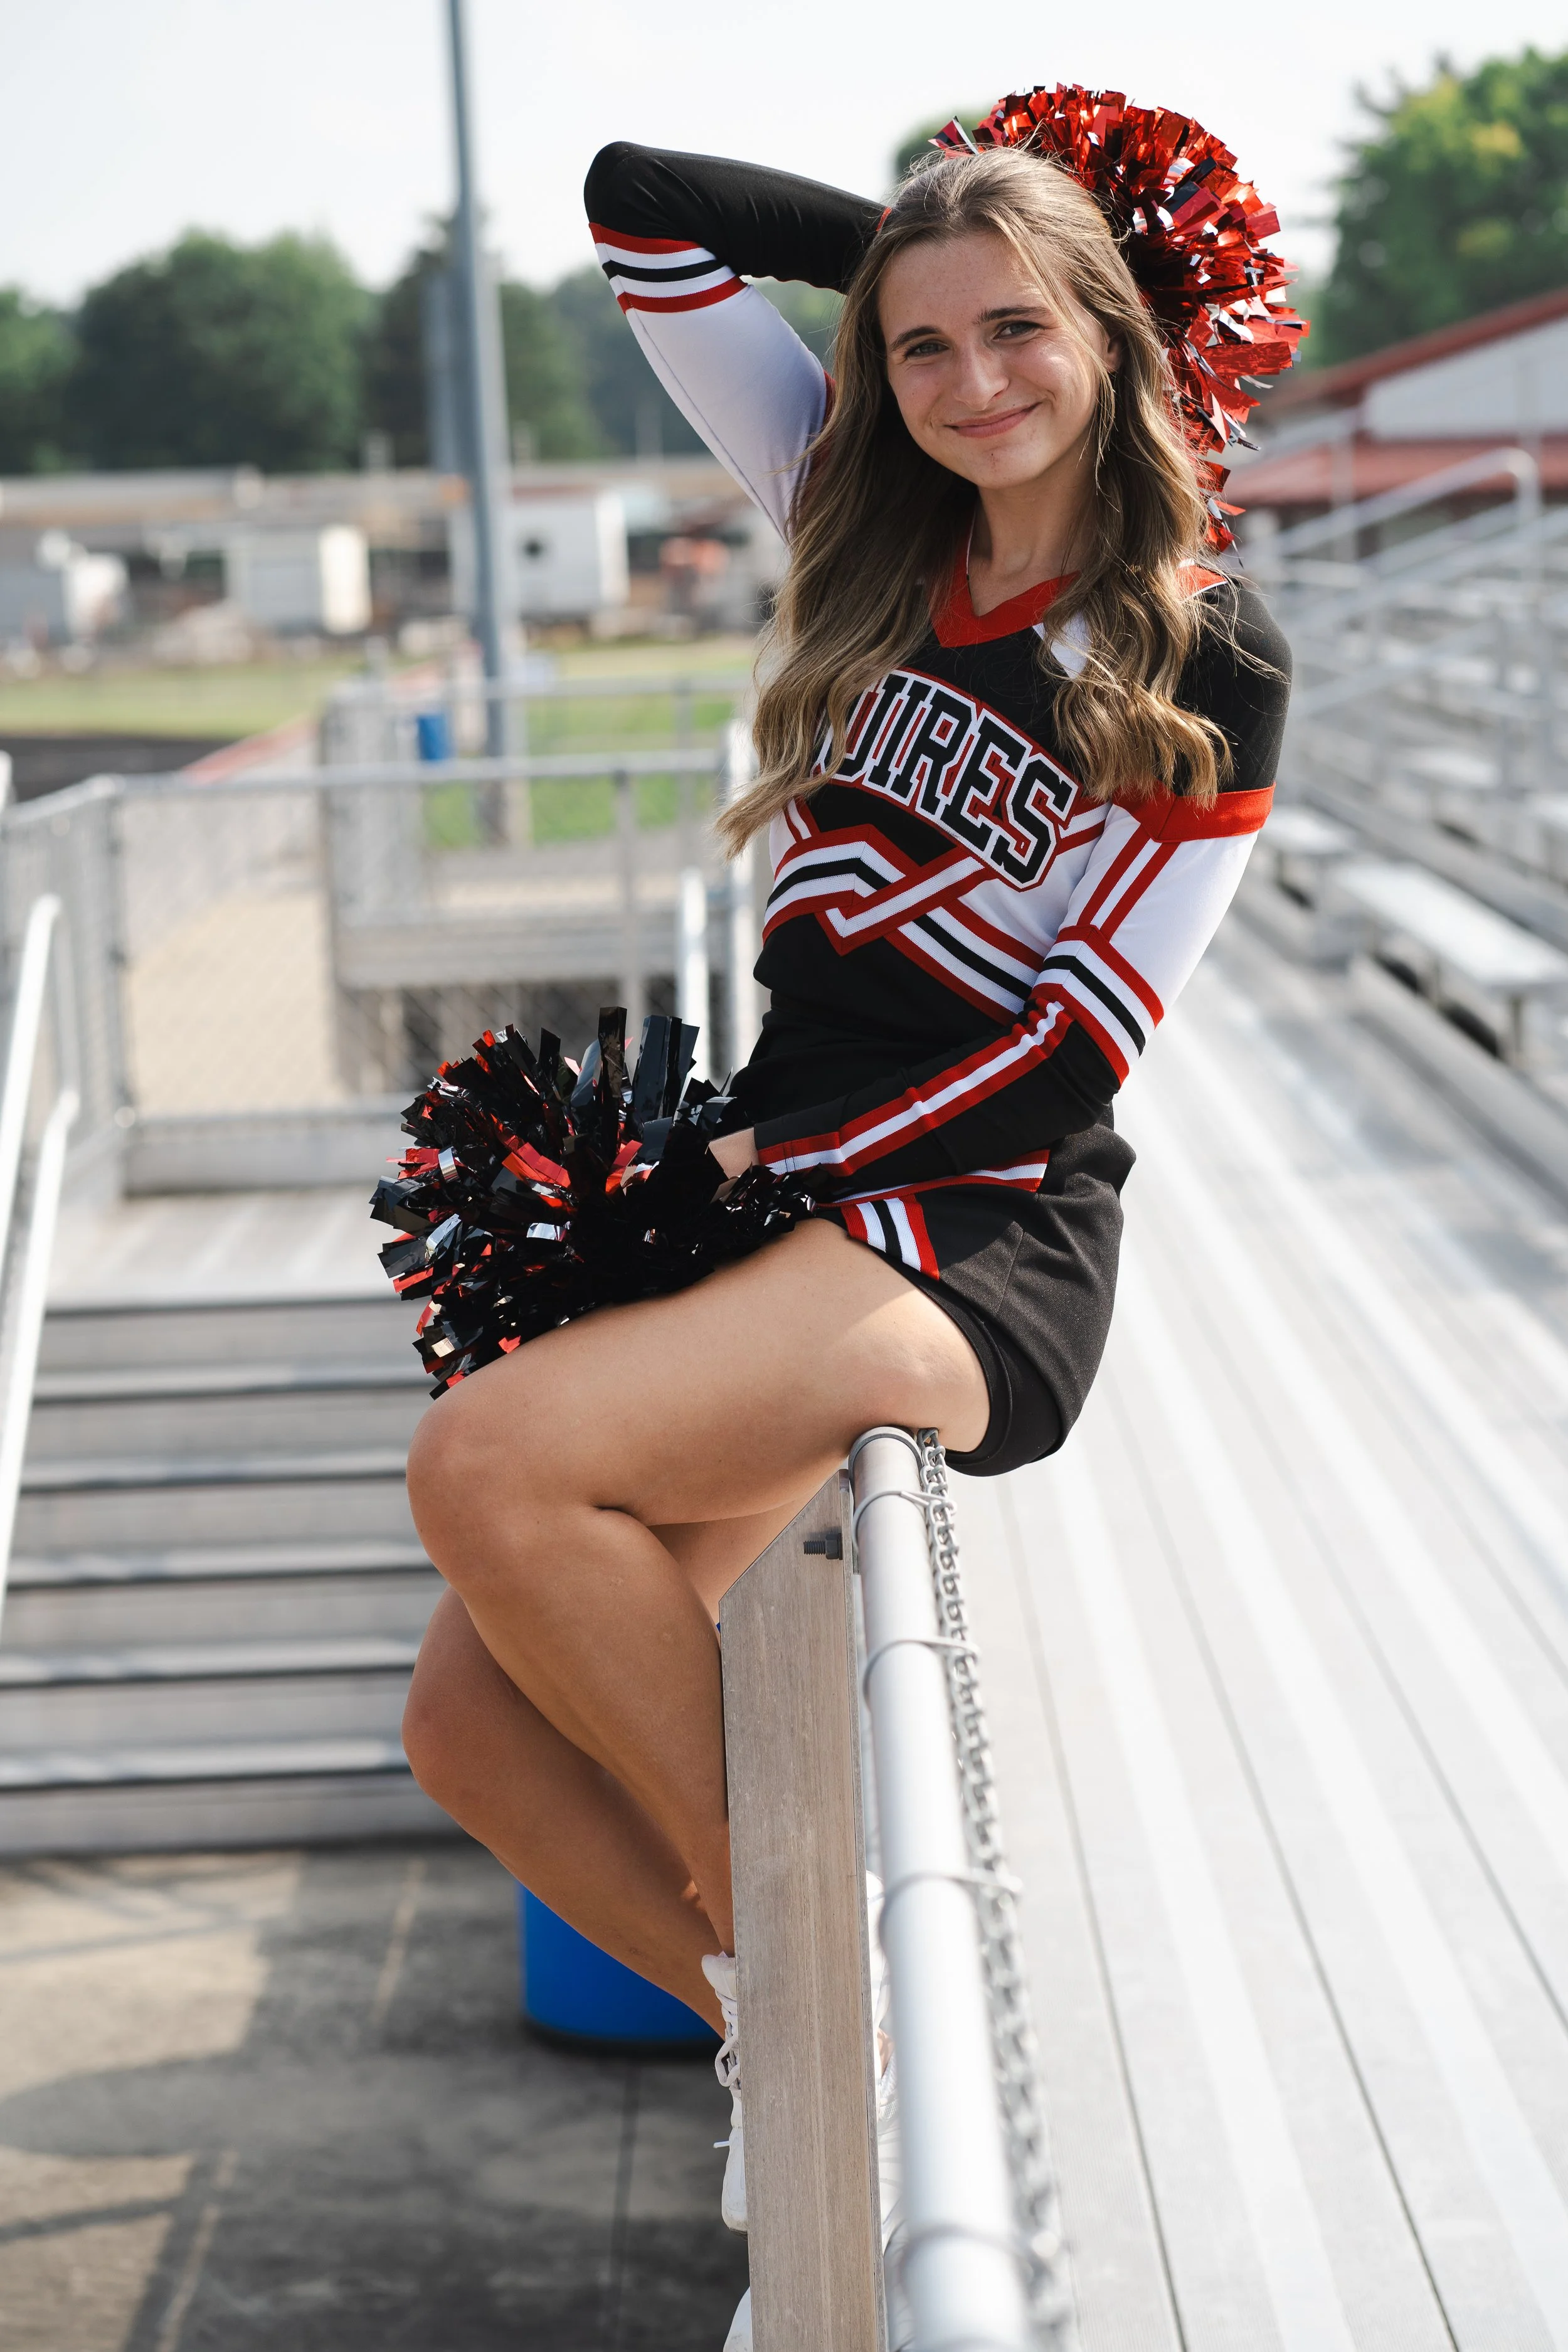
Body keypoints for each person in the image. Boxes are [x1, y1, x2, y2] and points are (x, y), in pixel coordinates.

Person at [401, 97, 1293, 2346]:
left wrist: (779, 1170)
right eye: (919, 346)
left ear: (1112, 336)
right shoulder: (850, 522)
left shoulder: (1198, 645)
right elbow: (640, 208)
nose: (970, 381)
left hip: (971, 1226)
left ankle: (802, 1994)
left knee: (481, 1466)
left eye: (1021, 330)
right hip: (785, 1200)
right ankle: (783, 2007)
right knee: (471, 1728)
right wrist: (929, 238)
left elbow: (1082, 1040)